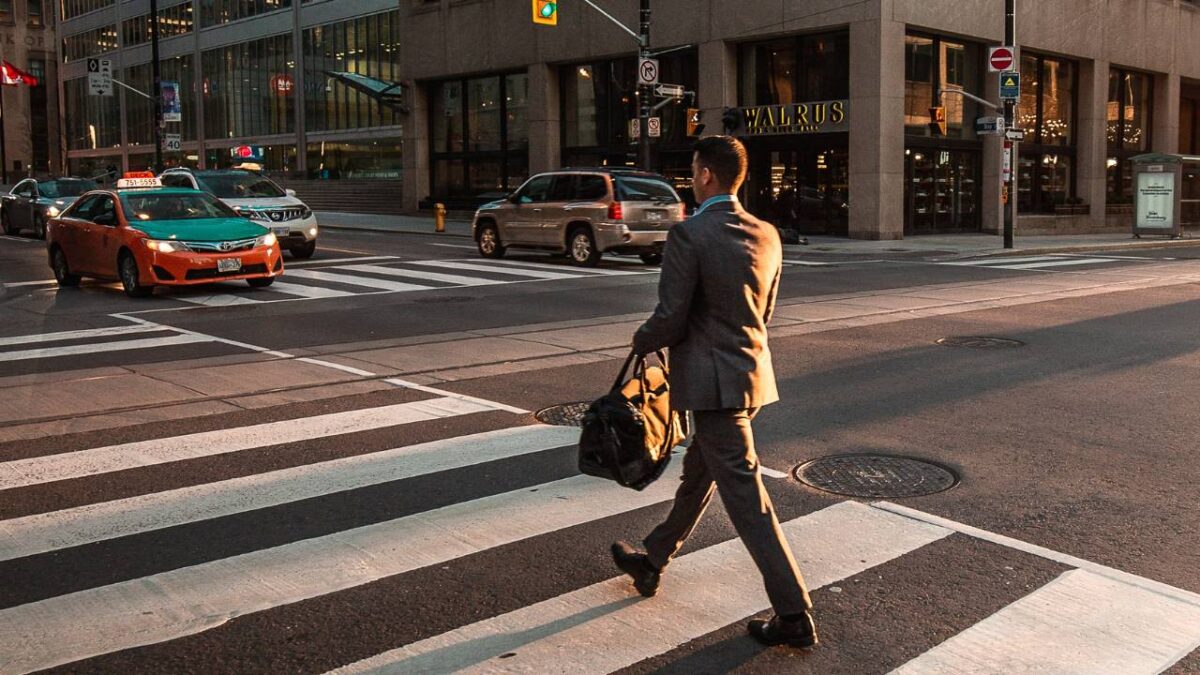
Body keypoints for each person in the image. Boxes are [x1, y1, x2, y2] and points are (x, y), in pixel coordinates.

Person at [611, 135, 818, 649]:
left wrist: (643, 340)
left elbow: (671, 317)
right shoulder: (767, 233)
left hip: (710, 383)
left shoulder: (691, 235)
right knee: (698, 475)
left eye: (694, 169)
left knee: (749, 501)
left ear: (706, 175)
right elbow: (763, 313)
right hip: (750, 375)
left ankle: (794, 614)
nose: (693, 177)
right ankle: (652, 560)